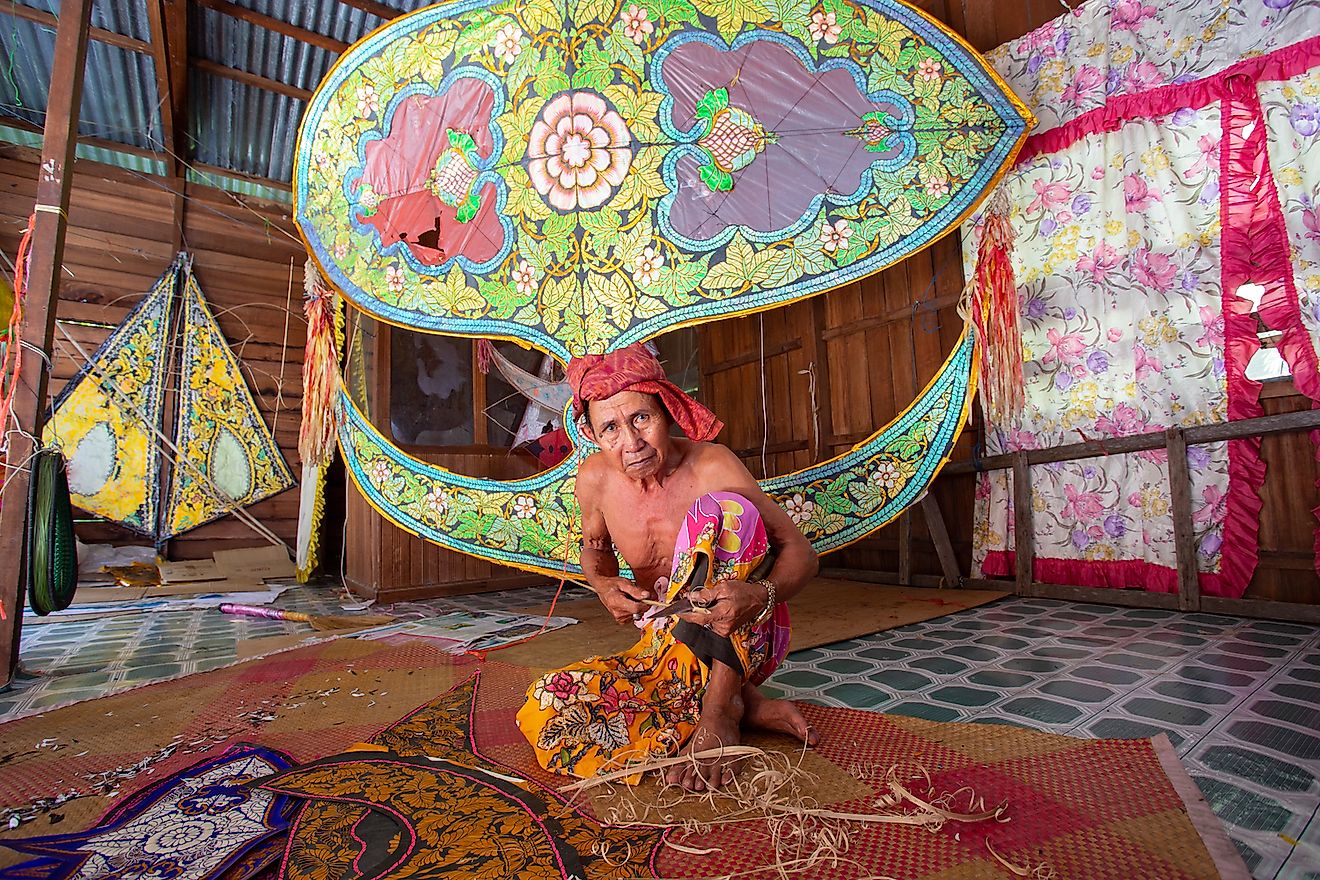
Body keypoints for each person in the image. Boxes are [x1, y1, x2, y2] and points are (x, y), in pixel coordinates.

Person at [516, 343, 819, 792]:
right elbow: (595, 551)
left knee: (724, 510)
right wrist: (602, 584)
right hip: (664, 646)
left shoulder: (712, 465)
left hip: (744, 633)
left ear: (668, 410)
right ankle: (746, 707)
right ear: (592, 434)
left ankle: (722, 705)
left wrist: (760, 595)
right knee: (547, 708)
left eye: (642, 419)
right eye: (611, 429)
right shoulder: (594, 480)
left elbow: (802, 553)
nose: (632, 443)